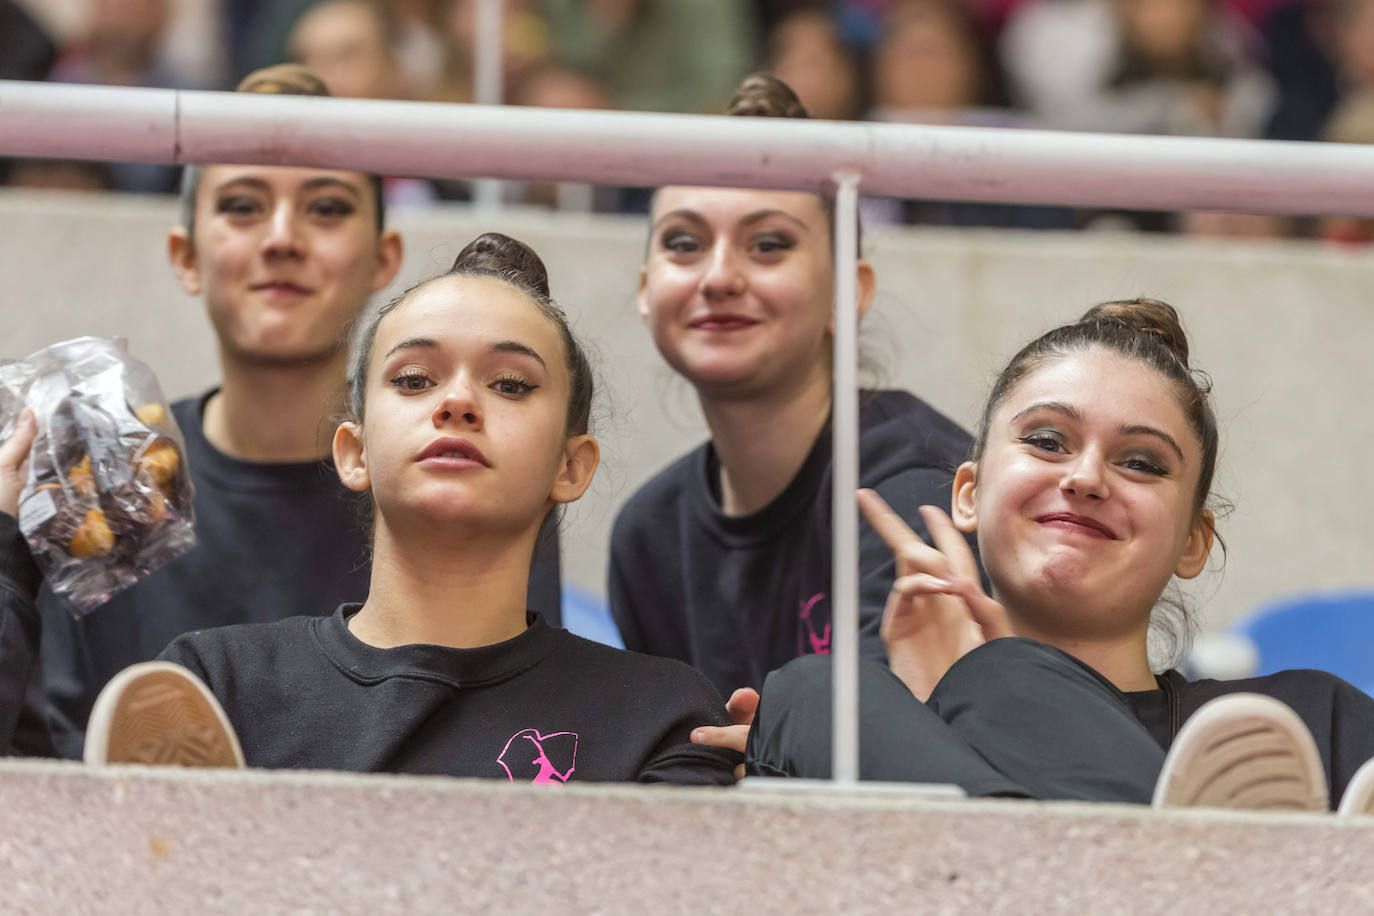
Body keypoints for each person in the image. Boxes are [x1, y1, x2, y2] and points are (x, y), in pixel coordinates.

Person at [3, 233, 737, 785]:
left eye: (511, 385)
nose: (457, 402)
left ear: (570, 467)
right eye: (415, 379)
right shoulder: (210, 687)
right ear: (352, 452)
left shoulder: (662, 720)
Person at [14, 64, 561, 760]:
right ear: (186, 255)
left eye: (327, 207)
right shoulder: (113, 482)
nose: (282, 238)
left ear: (383, 256)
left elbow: (520, 729)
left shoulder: (460, 467)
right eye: (243, 205)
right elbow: (68, 754)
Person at [723, 298, 1374, 811]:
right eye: (1047, 440)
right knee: (811, 691)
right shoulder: (845, 726)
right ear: (970, 494)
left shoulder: (1305, 722)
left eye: (1142, 462)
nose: (1086, 478)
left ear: (1192, 542)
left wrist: (988, 676)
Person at [608, 73, 975, 698]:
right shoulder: (649, 536)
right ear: (647, 290)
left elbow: (893, 762)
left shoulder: (916, 487)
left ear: (848, 292)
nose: (719, 276)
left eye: (768, 244)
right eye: (685, 243)